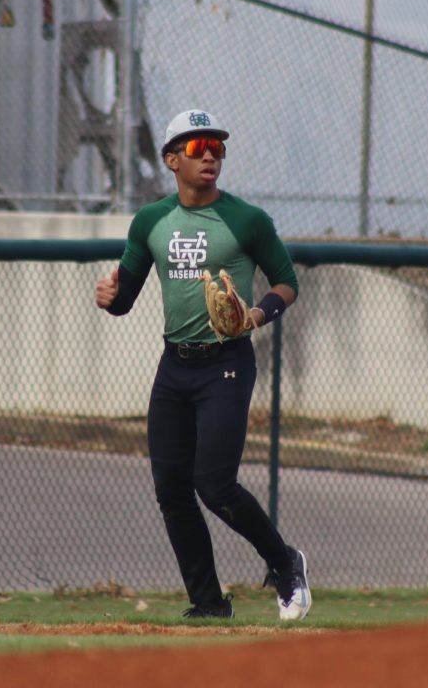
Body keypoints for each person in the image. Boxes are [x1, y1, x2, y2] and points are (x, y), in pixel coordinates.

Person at [94, 108, 311, 621]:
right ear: (171, 160)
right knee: (171, 490)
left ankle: (284, 563)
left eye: (216, 146)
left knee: (214, 485)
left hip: (226, 364)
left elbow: (287, 283)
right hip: (175, 366)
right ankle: (209, 604)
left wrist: (256, 314)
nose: (209, 153)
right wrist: (109, 295)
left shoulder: (248, 220)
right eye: (195, 147)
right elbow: (124, 298)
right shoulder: (151, 221)